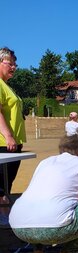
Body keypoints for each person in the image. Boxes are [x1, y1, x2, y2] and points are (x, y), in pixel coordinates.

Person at [0, 47, 26, 209]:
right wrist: (8, 135)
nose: (14, 67)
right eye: (10, 63)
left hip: (13, 144)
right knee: (1, 189)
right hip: (3, 143)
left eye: (15, 64)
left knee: (7, 185)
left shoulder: (6, 86)